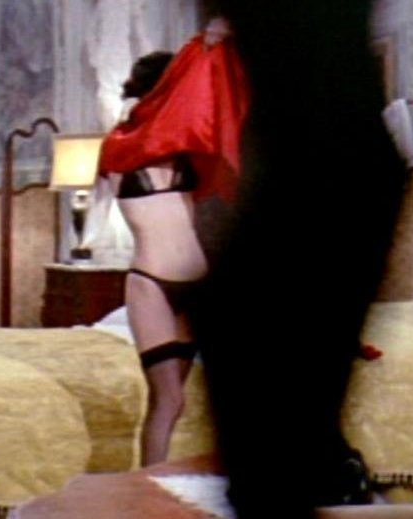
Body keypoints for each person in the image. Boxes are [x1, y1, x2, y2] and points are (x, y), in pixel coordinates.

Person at [98, 17, 248, 466]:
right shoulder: (119, 148)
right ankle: (150, 489)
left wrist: (216, 53)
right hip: (153, 286)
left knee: (185, 401)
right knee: (169, 399)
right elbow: (161, 128)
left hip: (198, 287)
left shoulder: (184, 148)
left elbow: (219, 112)